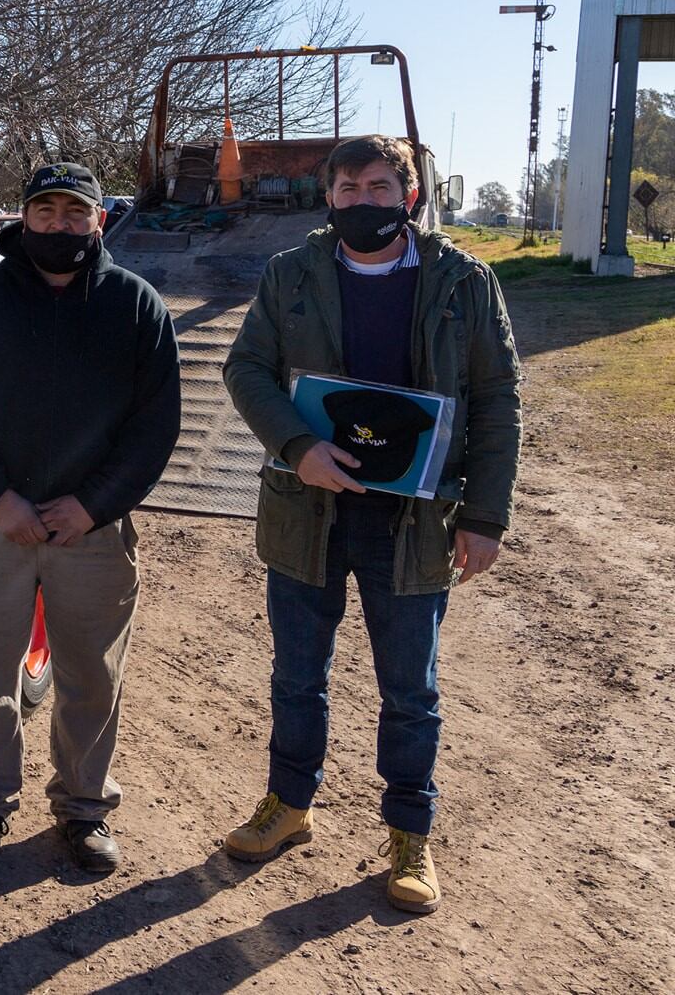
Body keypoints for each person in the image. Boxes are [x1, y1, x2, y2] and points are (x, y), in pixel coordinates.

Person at [220, 134, 521, 914]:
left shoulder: (463, 282)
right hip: (308, 511)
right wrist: (295, 445)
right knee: (296, 675)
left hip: (412, 524)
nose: (363, 201)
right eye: (347, 188)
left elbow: (497, 401)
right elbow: (245, 367)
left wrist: (484, 514)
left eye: (380, 187)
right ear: (329, 197)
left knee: (410, 690)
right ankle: (289, 805)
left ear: (410, 195)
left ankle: (409, 834)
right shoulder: (292, 274)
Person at [0, 160, 181, 873]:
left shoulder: (136, 307)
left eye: (75, 213)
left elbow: (154, 428)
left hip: (91, 528)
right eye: (46, 212)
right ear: (22, 219)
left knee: (91, 674)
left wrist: (94, 504)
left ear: (99, 221)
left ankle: (84, 806)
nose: (60, 225)